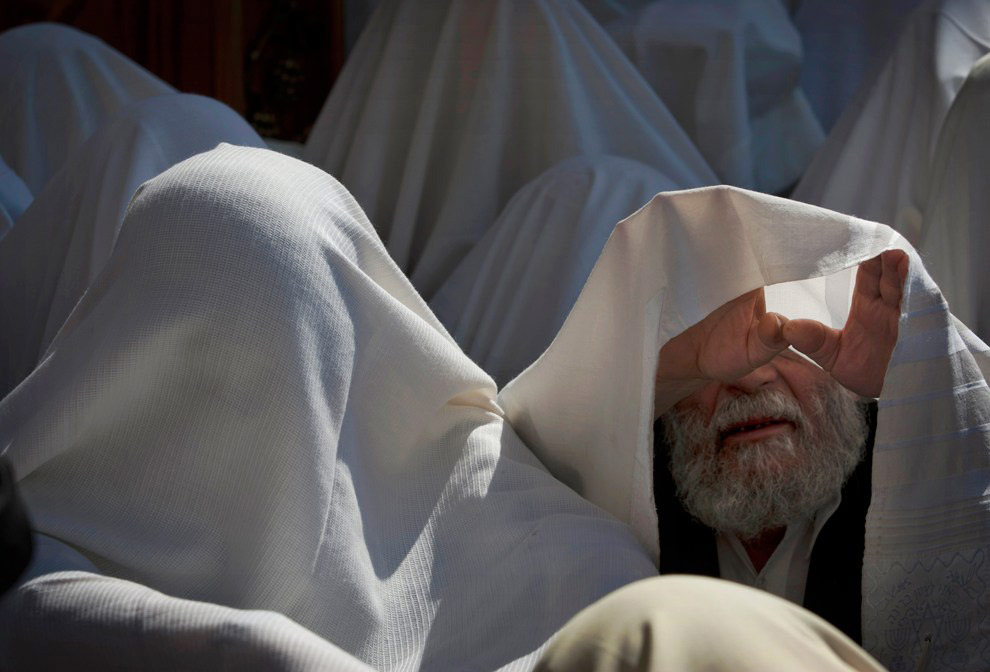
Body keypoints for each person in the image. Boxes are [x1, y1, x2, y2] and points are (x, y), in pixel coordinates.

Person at [652, 251, 906, 643]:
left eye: (788, 346)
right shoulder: (624, 500)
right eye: (713, 358)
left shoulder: (915, 483)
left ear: (846, 387)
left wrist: (914, 384)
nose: (750, 377)